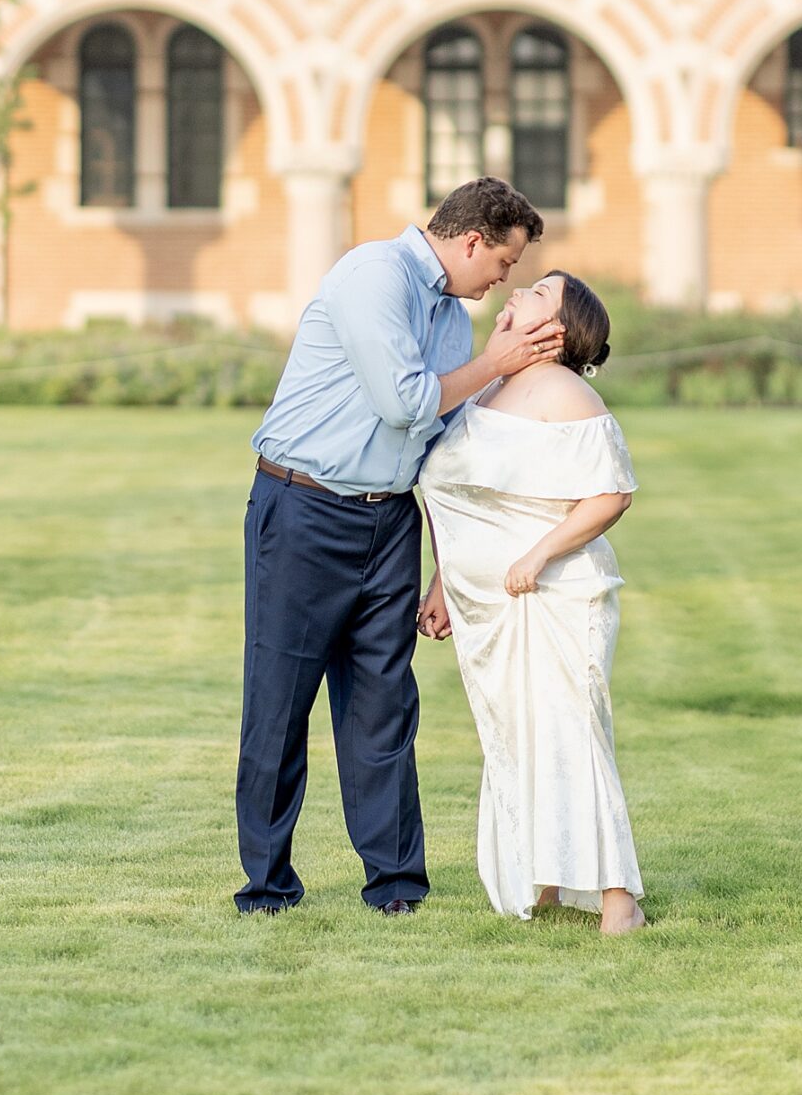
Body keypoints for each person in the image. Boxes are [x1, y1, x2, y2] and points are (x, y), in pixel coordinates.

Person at [235, 177, 563, 917]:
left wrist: (444, 571)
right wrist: (499, 365)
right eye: (504, 264)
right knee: (278, 708)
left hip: (391, 524)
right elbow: (406, 401)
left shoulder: (451, 313)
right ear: (473, 240)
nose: (503, 279)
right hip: (303, 510)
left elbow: (443, 448)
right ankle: (266, 886)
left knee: (384, 707)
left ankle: (395, 887)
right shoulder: (371, 275)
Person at [417, 271, 645, 935]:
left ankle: (616, 897)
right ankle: (542, 879)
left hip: (552, 594)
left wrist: (539, 554)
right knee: (514, 738)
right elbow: (457, 496)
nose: (517, 293)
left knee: (570, 733)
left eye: (539, 294)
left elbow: (611, 493)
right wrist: (443, 582)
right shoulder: (486, 385)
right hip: (486, 602)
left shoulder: (563, 393)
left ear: (560, 330)